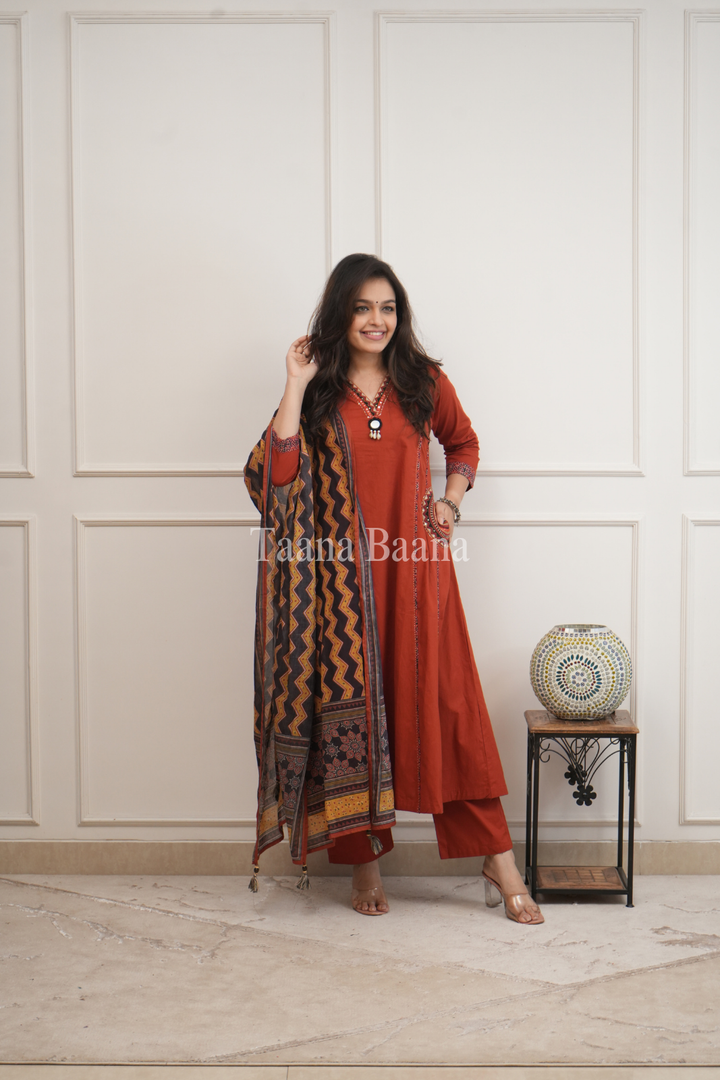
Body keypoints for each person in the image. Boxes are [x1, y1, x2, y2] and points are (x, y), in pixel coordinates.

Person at [244, 254, 543, 925]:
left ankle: (498, 860)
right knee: (350, 713)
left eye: (387, 308)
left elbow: (463, 444)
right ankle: (364, 860)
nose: (376, 320)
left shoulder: (422, 381)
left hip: (417, 576)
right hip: (339, 590)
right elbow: (273, 477)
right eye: (362, 308)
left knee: (451, 711)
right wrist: (294, 382)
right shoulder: (319, 389)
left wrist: (451, 500)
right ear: (341, 314)